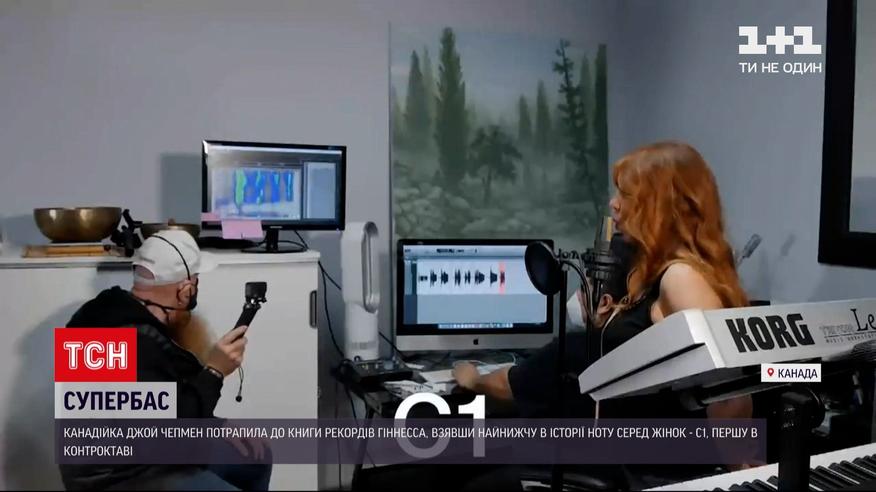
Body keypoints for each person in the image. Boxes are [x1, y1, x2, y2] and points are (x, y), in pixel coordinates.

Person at [59, 230, 271, 491]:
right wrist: (215, 372)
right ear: (185, 291)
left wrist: (217, 424)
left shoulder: (104, 314)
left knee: (254, 457)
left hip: (131, 455)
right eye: (196, 282)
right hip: (122, 476)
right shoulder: (137, 341)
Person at [452, 232, 635, 418]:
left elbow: (506, 386)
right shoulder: (637, 337)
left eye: (583, 289)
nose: (578, 296)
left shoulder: (575, 349)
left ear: (604, 303)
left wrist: (473, 380)